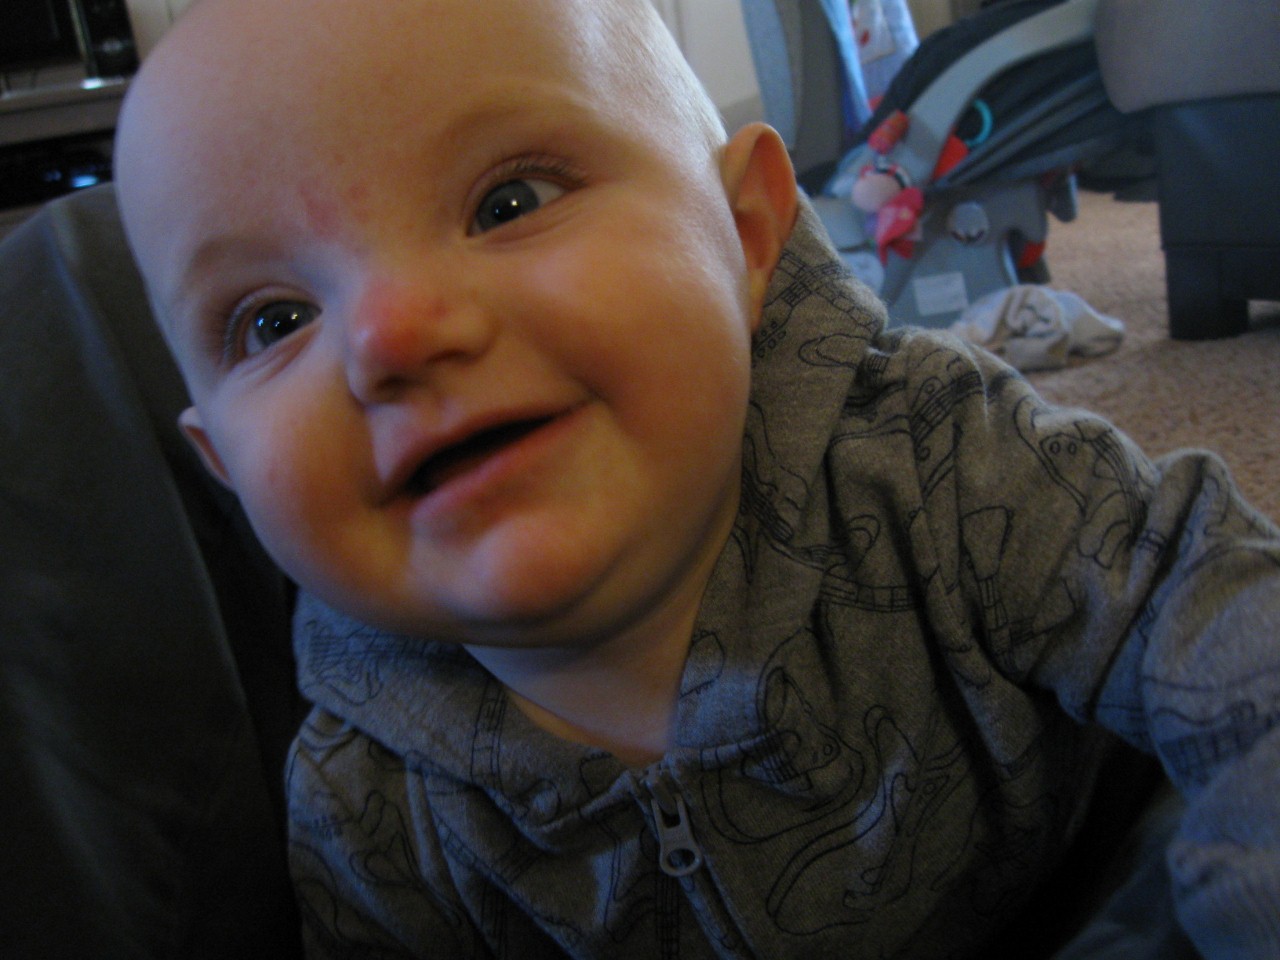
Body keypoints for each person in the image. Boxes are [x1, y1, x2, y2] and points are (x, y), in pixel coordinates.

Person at [112, 0, 1280, 956]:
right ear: (224, 467)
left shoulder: (931, 455)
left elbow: (1217, 606)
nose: (388, 335)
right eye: (273, 320)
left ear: (746, 230)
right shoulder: (364, 800)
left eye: (507, 202)